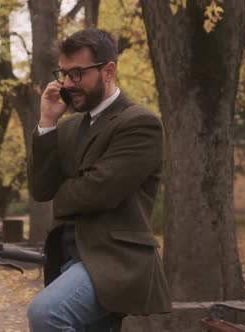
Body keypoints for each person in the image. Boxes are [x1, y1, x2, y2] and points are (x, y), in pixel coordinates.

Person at [27, 28, 171, 331]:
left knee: (45, 313)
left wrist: (63, 195)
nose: (67, 84)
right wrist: (47, 122)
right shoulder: (67, 127)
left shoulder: (140, 123)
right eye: (63, 74)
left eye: (77, 74)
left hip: (116, 263)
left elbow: (97, 192)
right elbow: (41, 190)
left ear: (108, 71)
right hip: (69, 258)